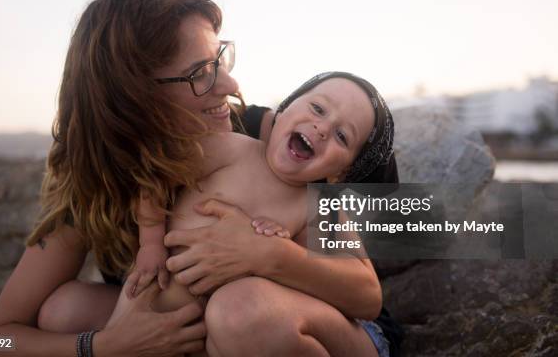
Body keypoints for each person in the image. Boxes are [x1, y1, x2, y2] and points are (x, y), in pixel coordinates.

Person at [0, 0, 401, 357]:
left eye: (220, 59)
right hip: (206, 324)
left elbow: (379, 254)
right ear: (132, 100)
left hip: (308, 320)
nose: (231, 85)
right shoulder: (97, 185)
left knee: (239, 311)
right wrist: (104, 347)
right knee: (62, 311)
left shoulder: (269, 139)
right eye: (201, 73)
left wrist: (268, 252)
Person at [127, 71, 395, 357]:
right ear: (284, 108)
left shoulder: (313, 207)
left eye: (342, 136)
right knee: (94, 311)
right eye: (317, 108)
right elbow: (155, 177)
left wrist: (279, 249)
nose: (322, 128)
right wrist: (151, 243)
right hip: (177, 315)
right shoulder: (228, 148)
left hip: (250, 326)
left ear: (340, 174)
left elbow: (363, 296)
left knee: (235, 315)